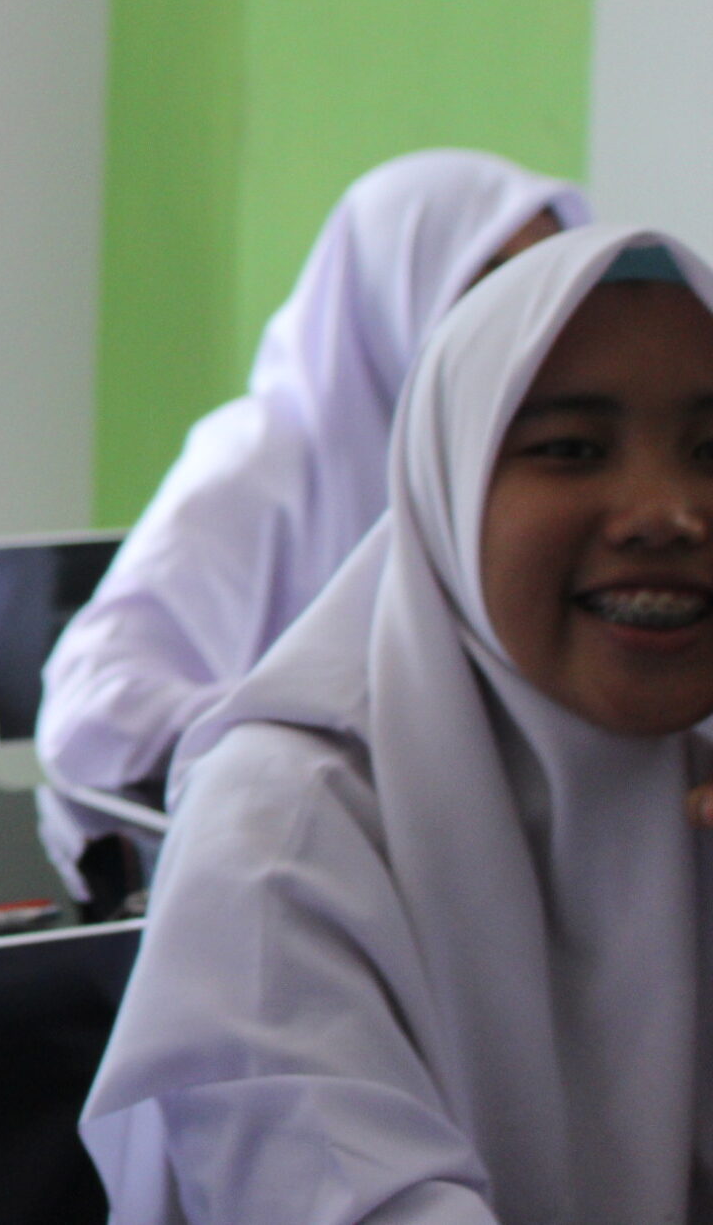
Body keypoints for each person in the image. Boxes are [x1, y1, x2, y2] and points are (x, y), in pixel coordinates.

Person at [82, 224, 713, 1224]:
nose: (665, 513)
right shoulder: (282, 833)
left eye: (712, 451)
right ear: (445, 486)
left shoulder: (692, 776)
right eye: (571, 449)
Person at [36, 149, 588, 797]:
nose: (521, 323)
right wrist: (326, 722)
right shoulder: (260, 460)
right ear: (395, 289)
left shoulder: (536, 469)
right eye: (488, 281)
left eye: (540, 285)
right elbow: (93, 712)